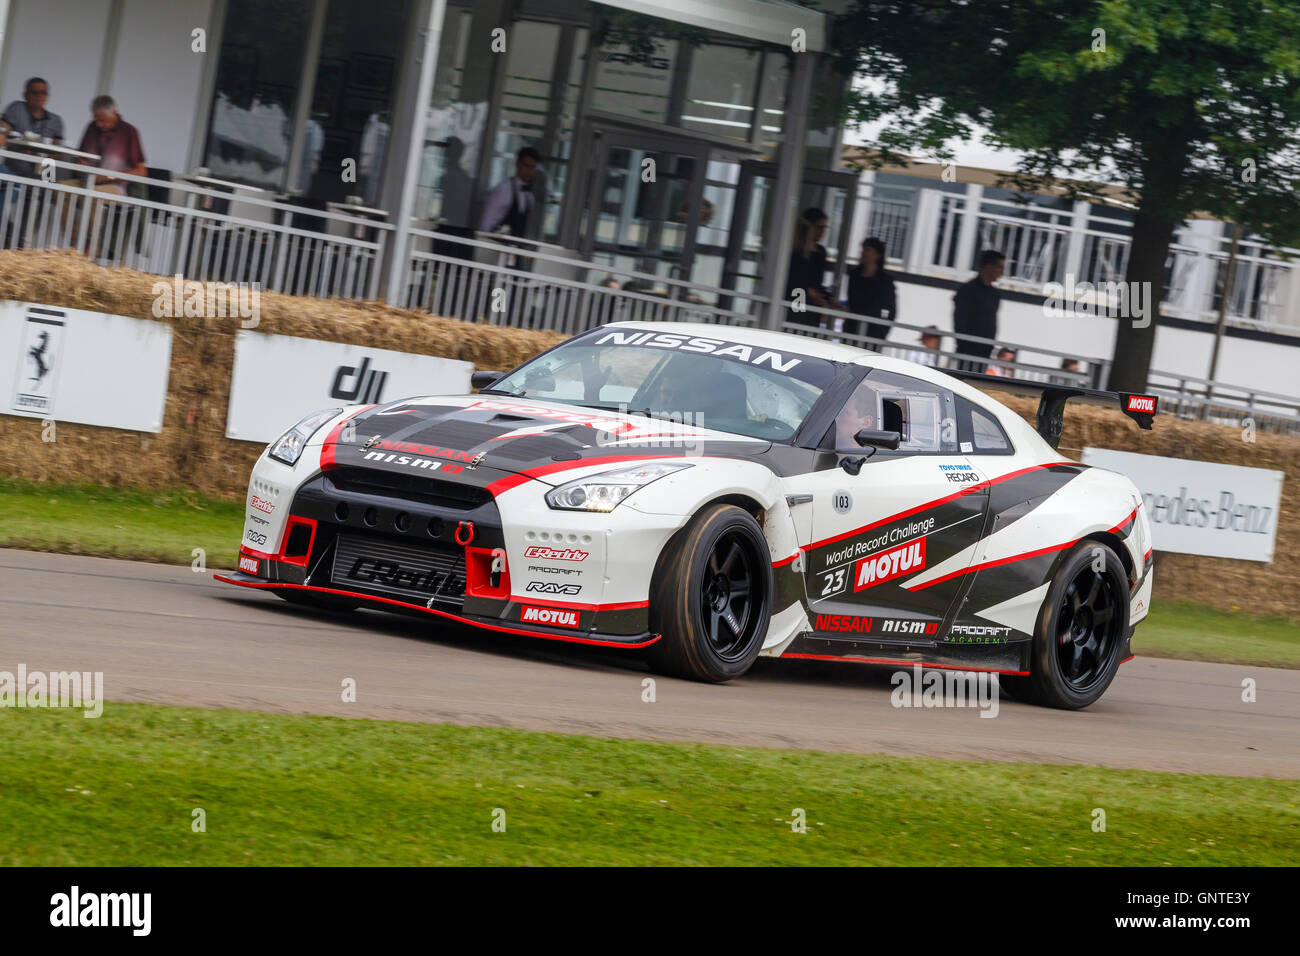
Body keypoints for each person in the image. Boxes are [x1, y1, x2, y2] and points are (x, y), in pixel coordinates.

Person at [77, 95, 147, 195]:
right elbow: (80, 159)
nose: (98, 124)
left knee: (92, 196)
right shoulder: (91, 127)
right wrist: (86, 170)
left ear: (114, 113)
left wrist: (108, 177)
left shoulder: (129, 132)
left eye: (102, 120)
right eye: (96, 119)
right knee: (60, 189)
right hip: (86, 183)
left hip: (113, 188)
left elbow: (141, 171)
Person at [953, 249, 1005, 371]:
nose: (1002, 272)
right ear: (988, 267)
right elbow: (960, 320)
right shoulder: (967, 290)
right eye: (1000, 267)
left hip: (985, 350)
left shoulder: (994, 294)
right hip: (968, 350)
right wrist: (964, 343)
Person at [479, 146, 543, 238]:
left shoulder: (530, 196)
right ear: (517, 164)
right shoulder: (503, 189)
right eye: (526, 166)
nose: (529, 170)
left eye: (533, 167)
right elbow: (485, 223)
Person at [846, 236, 898, 347]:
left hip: (873, 334)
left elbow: (891, 310)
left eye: (868, 250)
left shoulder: (885, 281)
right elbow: (852, 301)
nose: (863, 253)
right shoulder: (854, 275)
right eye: (863, 249)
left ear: (877, 255)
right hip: (852, 329)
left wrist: (882, 332)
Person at [786, 207, 831, 329]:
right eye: (819, 227)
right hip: (794, 303)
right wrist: (809, 291)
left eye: (824, 228)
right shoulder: (795, 251)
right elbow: (792, 279)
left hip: (810, 307)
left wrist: (826, 300)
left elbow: (817, 283)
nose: (822, 232)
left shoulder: (820, 252)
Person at [0, 77, 65, 144]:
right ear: (25, 95)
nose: (39, 96)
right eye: (34, 92)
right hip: (14, 153)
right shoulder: (17, 108)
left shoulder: (55, 121)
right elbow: (2, 134)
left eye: (43, 92)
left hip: (41, 154)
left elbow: (58, 149)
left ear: (47, 96)